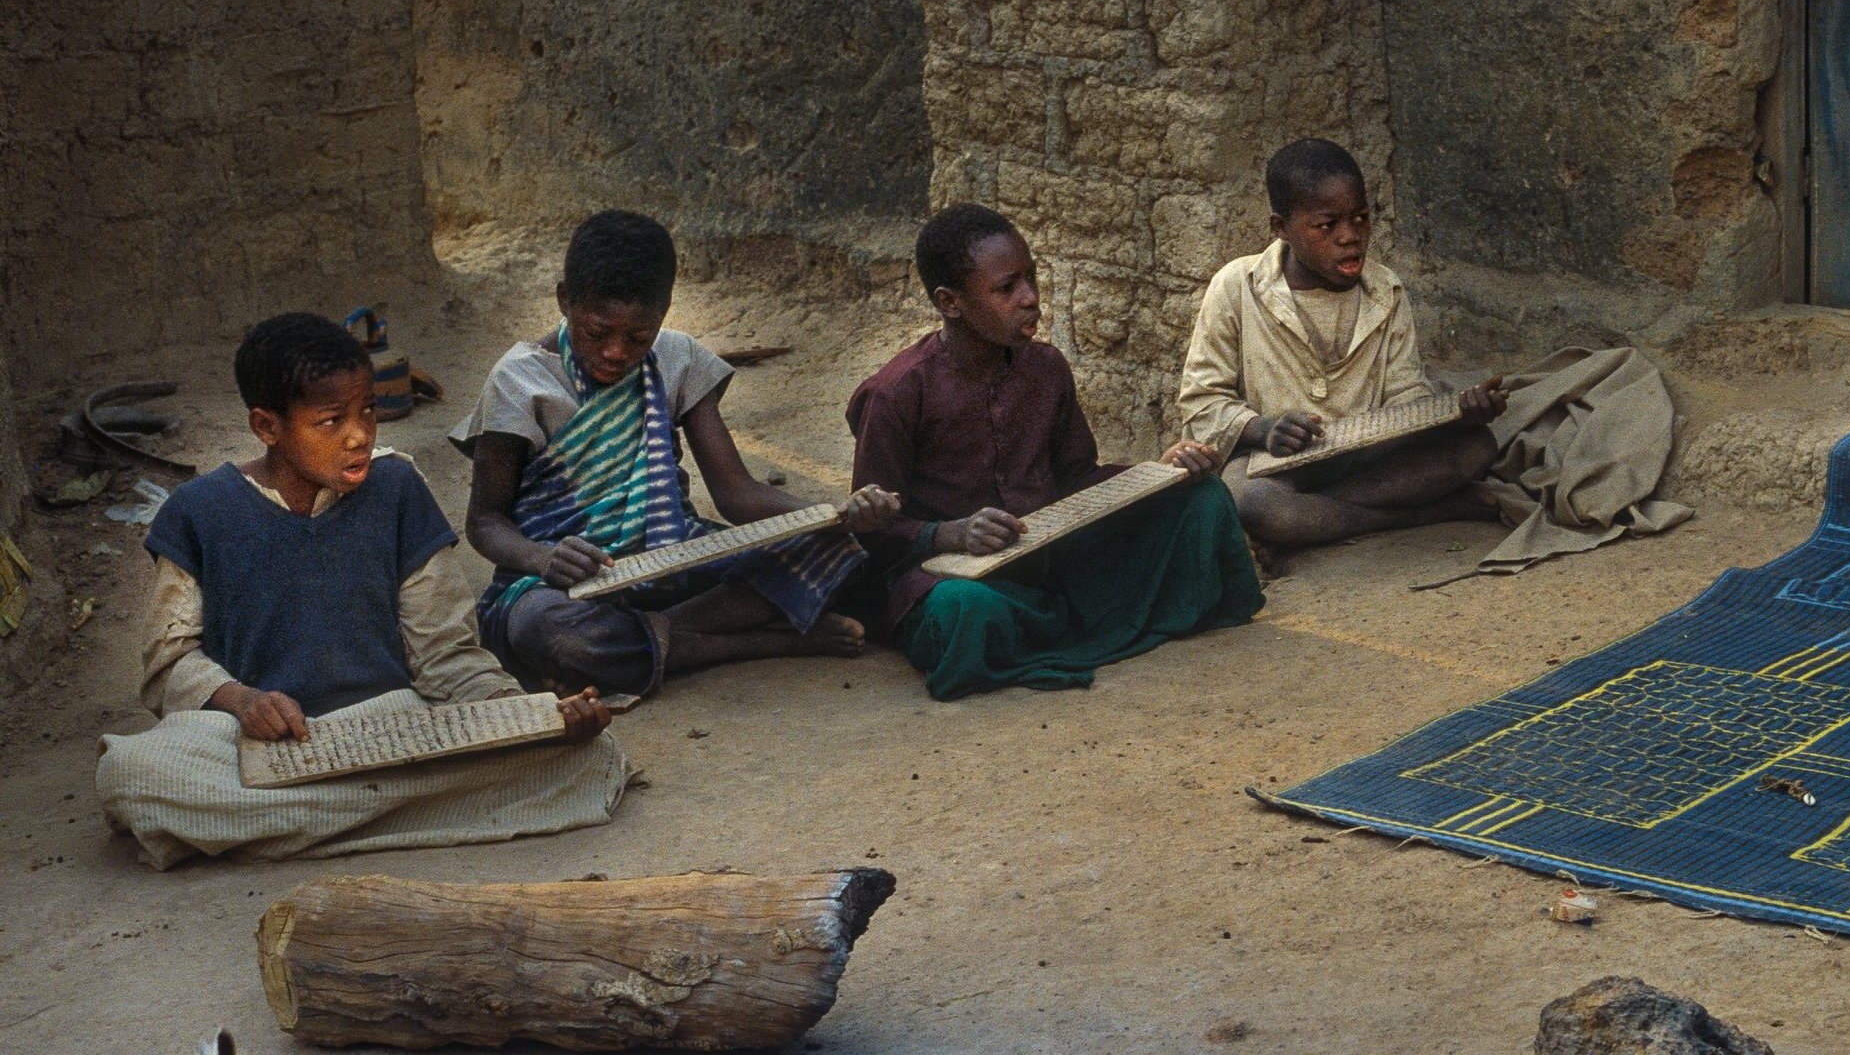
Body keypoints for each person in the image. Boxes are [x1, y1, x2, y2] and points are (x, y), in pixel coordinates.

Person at [96, 313, 629, 869]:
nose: (359, 434)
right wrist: (242, 700)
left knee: (591, 754)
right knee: (134, 775)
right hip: (261, 751)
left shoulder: (397, 488)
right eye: (330, 421)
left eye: (368, 411)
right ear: (267, 426)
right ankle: (396, 816)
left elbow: (445, 653)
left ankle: (288, 828)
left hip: (395, 730)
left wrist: (526, 718)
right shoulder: (198, 512)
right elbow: (169, 661)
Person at [454, 211, 898, 699]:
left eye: (639, 338)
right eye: (598, 333)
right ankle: (758, 643)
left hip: (673, 557)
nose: (617, 353)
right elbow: (486, 522)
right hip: (568, 583)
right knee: (548, 630)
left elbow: (736, 493)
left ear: (665, 311)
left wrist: (835, 516)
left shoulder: (676, 359)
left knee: (833, 551)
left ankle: (648, 639)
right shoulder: (520, 381)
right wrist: (541, 558)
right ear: (565, 300)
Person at [845, 203, 1264, 700]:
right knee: (965, 611)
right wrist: (950, 533)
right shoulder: (895, 393)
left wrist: (1158, 472)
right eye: (1006, 289)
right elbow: (873, 532)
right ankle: (1061, 624)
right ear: (949, 302)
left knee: (1200, 497)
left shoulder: (1045, 367)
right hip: (950, 578)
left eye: (1032, 278)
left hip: (1046, 552)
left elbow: (1075, 478)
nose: (1031, 299)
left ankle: (1061, 619)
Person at [1175, 138, 1506, 553]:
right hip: (1274, 465)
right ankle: (1419, 515)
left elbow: (1406, 395)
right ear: (1281, 228)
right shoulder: (1236, 286)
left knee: (1477, 447)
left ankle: (1311, 520)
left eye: (1361, 218)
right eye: (1327, 225)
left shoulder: (1386, 290)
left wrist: (1454, 415)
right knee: (1254, 503)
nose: (1351, 237)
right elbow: (1203, 400)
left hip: (1366, 461)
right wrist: (1264, 429)